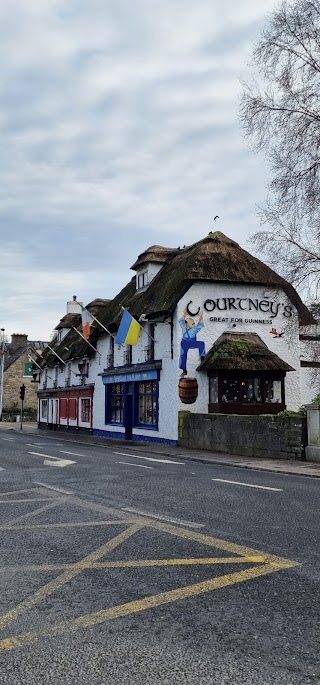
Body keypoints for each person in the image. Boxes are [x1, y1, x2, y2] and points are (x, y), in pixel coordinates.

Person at [179, 309, 206, 376]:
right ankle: (184, 369)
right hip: (184, 343)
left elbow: (200, 324)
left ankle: (202, 357)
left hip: (191, 342)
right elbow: (181, 320)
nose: (185, 324)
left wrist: (201, 316)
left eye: (186, 323)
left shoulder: (193, 329)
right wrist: (185, 314)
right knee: (182, 355)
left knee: (201, 344)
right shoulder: (184, 327)